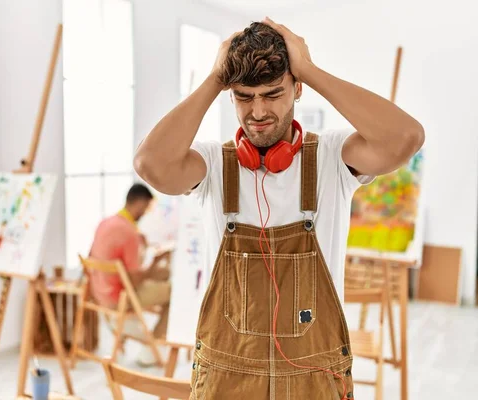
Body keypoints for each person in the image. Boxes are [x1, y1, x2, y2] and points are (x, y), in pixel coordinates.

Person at [134, 19, 423, 399]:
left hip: (313, 379)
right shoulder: (212, 164)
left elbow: (406, 137)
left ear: (296, 88)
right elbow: (150, 165)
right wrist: (214, 80)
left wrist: (310, 70)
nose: (257, 112)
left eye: (273, 94)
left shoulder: (334, 159)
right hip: (226, 380)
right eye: (243, 96)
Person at [88, 183, 172, 366]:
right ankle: (151, 349)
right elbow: (134, 280)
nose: (146, 213)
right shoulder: (129, 232)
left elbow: (91, 255)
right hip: (119, 298)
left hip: (99, 293)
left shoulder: (106, 222)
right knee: (174, 293)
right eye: (147, 207)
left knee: (163, 274)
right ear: (140, 203)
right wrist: (156, 262)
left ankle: (146, 343)